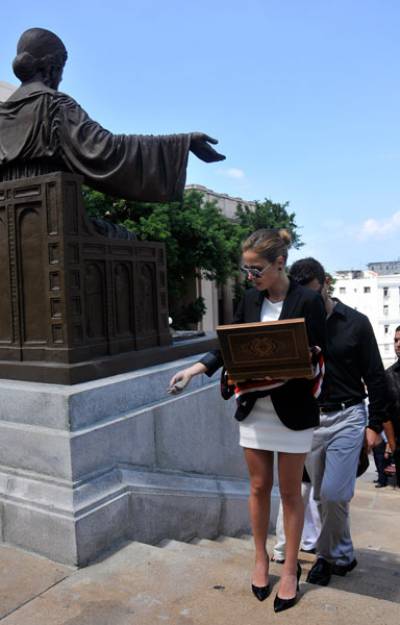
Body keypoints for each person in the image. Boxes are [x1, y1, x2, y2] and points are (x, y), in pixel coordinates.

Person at [169, 229, 326, 613]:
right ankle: (259, 559)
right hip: (255, 408)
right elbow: (228, 345)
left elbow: (319, 354)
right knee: (258, 488)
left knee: (291, 493)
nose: (250, 277)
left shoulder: (307, 300)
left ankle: (289, 569)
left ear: (279, 264)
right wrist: (194, 370)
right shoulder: (250, 299)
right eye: (246, 270)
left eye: (256, 270)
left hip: (293, 408)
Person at [0, 28, 224, 200]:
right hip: (52, 212)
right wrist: (183, 143)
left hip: (7, 223)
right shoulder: (54, 106)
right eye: (61, 70)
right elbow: (107, 150)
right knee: (123, 237)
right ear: (53, 68)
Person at [289, 257, 389, 587]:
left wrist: (374, 425)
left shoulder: (356, 323)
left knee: (333, 493)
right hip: (312, 420)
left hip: (349, 416)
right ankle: (344, 554)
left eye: (314, 295)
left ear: (326, 284)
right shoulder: (297, 325)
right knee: (322, 495)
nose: (309, 303)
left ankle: (326, 557)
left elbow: (376, 377)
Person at [385, 325, 400, 487]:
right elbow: (385, 413)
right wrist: (392, 445)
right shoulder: (388, 375)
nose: (398, 344)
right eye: (396, 340)